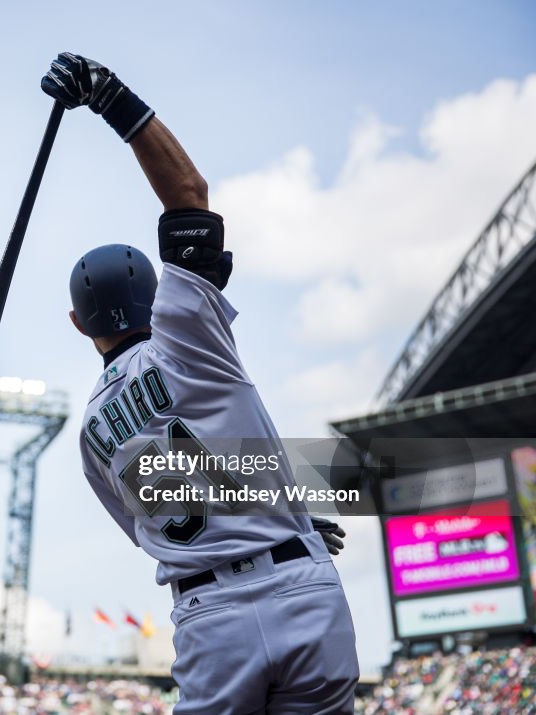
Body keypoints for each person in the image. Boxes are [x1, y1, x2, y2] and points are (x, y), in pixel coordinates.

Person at [42, 52, 359, 714]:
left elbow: (164, 519)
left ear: (78, 323)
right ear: (162, 294)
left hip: (208, 614)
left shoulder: (92, 436)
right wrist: (109, 95)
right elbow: (187, 193)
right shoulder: (191, 330)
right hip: (303, 586)